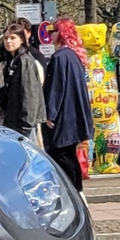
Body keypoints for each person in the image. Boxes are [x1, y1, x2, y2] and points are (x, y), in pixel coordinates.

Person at [41, 17, 95, 191]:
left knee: (61, 154)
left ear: (60, 33)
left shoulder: (59, 57)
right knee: (70, 154)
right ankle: (77, 191)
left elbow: (56, 88)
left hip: (64, 117)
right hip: (75, 115)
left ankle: (72, 191)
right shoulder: (75, 56)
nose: (51, 36)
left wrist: (50, 113)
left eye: (53, 32)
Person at [0, 21, 44, 150]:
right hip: (12, 122)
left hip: (23, 127)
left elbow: (30, 96)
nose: (8, 41)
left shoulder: (25, 61)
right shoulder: (10, 61)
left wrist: (25, 128)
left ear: (22, 40)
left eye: (13, 38)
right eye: (6, 38)